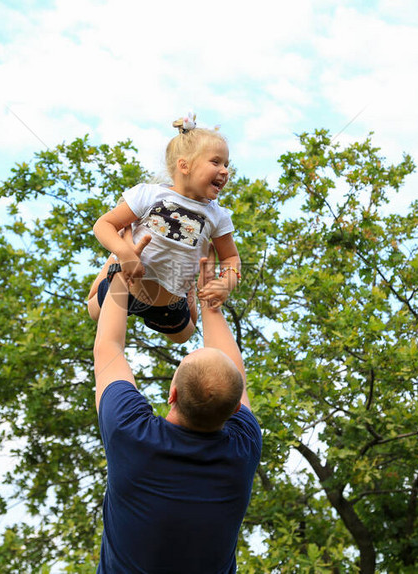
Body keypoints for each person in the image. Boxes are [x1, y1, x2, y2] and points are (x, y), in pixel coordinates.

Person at [93, 242, 262, 573]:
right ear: (232, 411)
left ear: (172, 393)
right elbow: (108, 349)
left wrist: (122, 259)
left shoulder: (131, 432)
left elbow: (109, 342)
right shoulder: (242, 449)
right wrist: (209, 306)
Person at [87, 113, 241, 344]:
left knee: (184, 335)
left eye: (227, 165)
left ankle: (189, 289)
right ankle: (117, 258)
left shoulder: (217, 215)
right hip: (127, 287)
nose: (225, 171)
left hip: (169, 304)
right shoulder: (150, 194)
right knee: (94, 311)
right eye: (216, 162)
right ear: (184, 165)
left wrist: (226, 283)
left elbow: (230, 257)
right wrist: (124, 252)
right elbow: (104, 224)